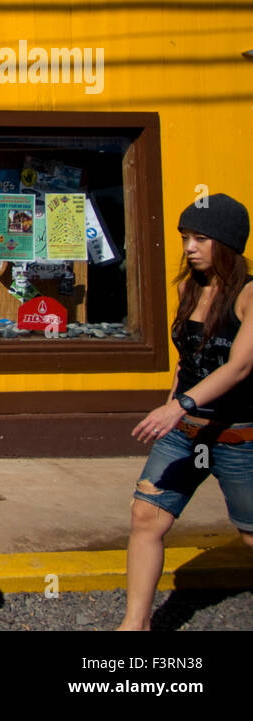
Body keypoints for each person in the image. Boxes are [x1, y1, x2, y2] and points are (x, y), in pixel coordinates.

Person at [117, 193, 253, 631]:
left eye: (199, 237)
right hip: (186, 432)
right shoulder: (186, 288)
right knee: (146, 516)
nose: (189, 247)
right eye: (184, 237)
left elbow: (241, 365)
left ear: (227, 242)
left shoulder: (250, 294)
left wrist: (180, 405)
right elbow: (189, 359)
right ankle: (134, 626)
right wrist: (174, 398)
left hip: (238, 434)